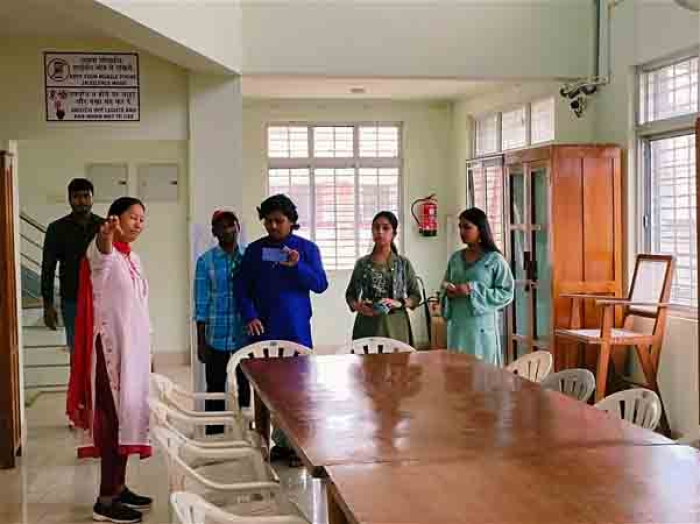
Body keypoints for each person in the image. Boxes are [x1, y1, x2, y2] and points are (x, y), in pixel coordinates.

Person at [67, 197, 152, 524]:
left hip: (134, 354)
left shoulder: (134, 258)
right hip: (110, 354)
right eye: (133, 217)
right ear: (115, 219)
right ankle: (105, 500)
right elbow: (102, 247)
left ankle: (119, 487)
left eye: (143, 219)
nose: (139, 223)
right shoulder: (102, 253)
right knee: (112, 421)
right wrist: (105, 234)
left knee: (129, 416)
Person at [237, 194, 328, 466]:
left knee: (298, 390)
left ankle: (298, 445)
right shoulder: (255, 251)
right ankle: (273, 443)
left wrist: (296, 265)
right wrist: (250, 315)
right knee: (267, 389)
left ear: (292, 222)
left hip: (296, 330)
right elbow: (241, 287)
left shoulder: (306, 249)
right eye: (268, 221)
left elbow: (320, 284)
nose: (273, 227)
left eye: (279, 221)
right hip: (263, 332)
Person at [194, 210, 249, 434]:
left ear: (238, 227)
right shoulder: (205, 261)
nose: (227, 230)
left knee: (246, 384)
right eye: (221, 226)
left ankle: (247, 431)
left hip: (244, 335)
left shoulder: (249, 256)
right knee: (215, 386)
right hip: (216, 335)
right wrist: (201, 341)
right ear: (214, 232)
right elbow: (201, 303)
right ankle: (215, 433)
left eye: (230, 225)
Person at [442, 208, 514, 366]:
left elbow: (507, 293)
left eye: (467, 227)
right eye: (460, 227)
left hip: (481, 330)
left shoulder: (495, 260)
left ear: (480, 229)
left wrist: (473, 290)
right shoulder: (455, 259)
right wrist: (448, 292)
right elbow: (445, 285)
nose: (462, 231)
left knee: (482, 380)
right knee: (457, 375)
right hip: (458, 328)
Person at [41, 178, 103, 353]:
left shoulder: (103, 226)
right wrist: (48, 304)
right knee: (77, 351)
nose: (82, 201)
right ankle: (79, 382)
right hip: (71, 299)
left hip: (101, 298)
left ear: (92, 198)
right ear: (69, 199)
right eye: (76, 196)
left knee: (102, 349)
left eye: (86, 196)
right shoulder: (56, 229)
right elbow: (48, 267)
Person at [345, 211, 421, 345]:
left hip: (396, 327)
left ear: (394, 233)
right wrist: (358, 306)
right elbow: (350, 295)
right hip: (367, 326)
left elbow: (415, 296)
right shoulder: (362, 264)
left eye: (385, 228)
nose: (380, 232)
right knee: (368, 364)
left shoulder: (403, 264)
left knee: (397, 364)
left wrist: (400, 303)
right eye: (376, 227)